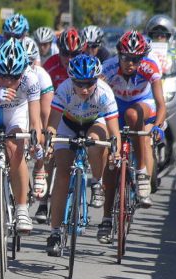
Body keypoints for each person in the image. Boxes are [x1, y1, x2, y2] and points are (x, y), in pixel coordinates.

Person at [45, 54, 120, 255]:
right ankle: (54, 233)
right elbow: (52, 125)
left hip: (94, 123)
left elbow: (114, 132)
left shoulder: (104, 92)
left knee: (96, 144)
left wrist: (116, 152)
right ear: (72, 80)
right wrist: (49, 143)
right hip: (68, 125)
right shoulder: (64, 89)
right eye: (80, 84)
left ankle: (97, 182)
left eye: (89, 83)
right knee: (61, 175)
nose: (85, 89)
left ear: (97, 80)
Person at [100, 31, 165, 234]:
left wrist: (157, 126)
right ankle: (107, 218)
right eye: (126, 58)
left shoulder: (150, 67)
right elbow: (97, 96)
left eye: (136, 59)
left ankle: (142, 173)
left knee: (133, 114)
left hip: (143, 105)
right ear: (119, 55)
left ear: (142, 58)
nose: (130, 63)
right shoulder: (108, 68)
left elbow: (161, 104)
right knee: (111, 165)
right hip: (116, 107)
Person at [0, 38, 42, 238]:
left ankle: (22, 208)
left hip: (17, 112)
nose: (7, 81)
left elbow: (34, 119)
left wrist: (36, 142)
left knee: (15, 147)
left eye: (14, 77)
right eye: (3, 75)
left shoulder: (31, 79)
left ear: (23, 71)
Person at [23, 37, 55, 223]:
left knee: (41, 130)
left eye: (30, 62)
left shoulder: (40, 75)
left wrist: (43, 135)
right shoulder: (10, 72)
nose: (26, 66)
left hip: (35, 109)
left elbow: (45, 113)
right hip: (16, 109)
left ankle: (40, 168)